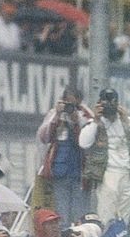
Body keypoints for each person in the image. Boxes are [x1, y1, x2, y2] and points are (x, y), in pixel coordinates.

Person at [78, 88, 130, 226]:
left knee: (124, 217)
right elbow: (83, 143)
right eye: (105, 104)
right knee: (106, 215)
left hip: (127, 173)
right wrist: (96, 120)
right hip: (107, 174)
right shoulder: (95, 123)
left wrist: (127, 120)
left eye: (112, 103)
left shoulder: (126, 122)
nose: (109, 108)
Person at [36, 86, 93, 224]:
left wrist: (75, 121)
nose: (69, 107)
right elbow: (44, 137)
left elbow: (87, 141)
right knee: (61, 214)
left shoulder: (85, 115)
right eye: (67, 103)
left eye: (73, 104)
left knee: (79, 215)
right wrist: (57, 116)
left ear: (79, 102)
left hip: (80, 174)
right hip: (60, 172)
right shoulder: (54, 114)